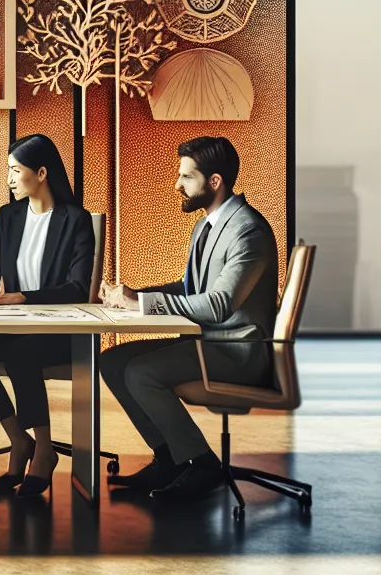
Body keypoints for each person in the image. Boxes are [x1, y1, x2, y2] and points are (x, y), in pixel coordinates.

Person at [97, 135, 277, 504]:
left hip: (238, 351)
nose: (178, 184)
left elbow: (218, 304)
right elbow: (189, 286)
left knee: (140, 372)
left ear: (214, 182)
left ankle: (201, 462)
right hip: (211, 342)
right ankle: (170, 460)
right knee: (113, 361)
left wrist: (144, 305)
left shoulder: (248, 231)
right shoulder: (205, 225)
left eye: (187, 177)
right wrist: (133, 297)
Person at [0, 134, 98, 498]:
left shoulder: (76, 220)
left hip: (61, 333)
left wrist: (23, 296)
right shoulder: (8, 216)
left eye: (15, 171)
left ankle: (45, 450)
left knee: (21, 354)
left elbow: (77, 289)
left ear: (42, 172)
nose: (9, 179)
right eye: (8, 171)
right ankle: (19, 440)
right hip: (15, 326)